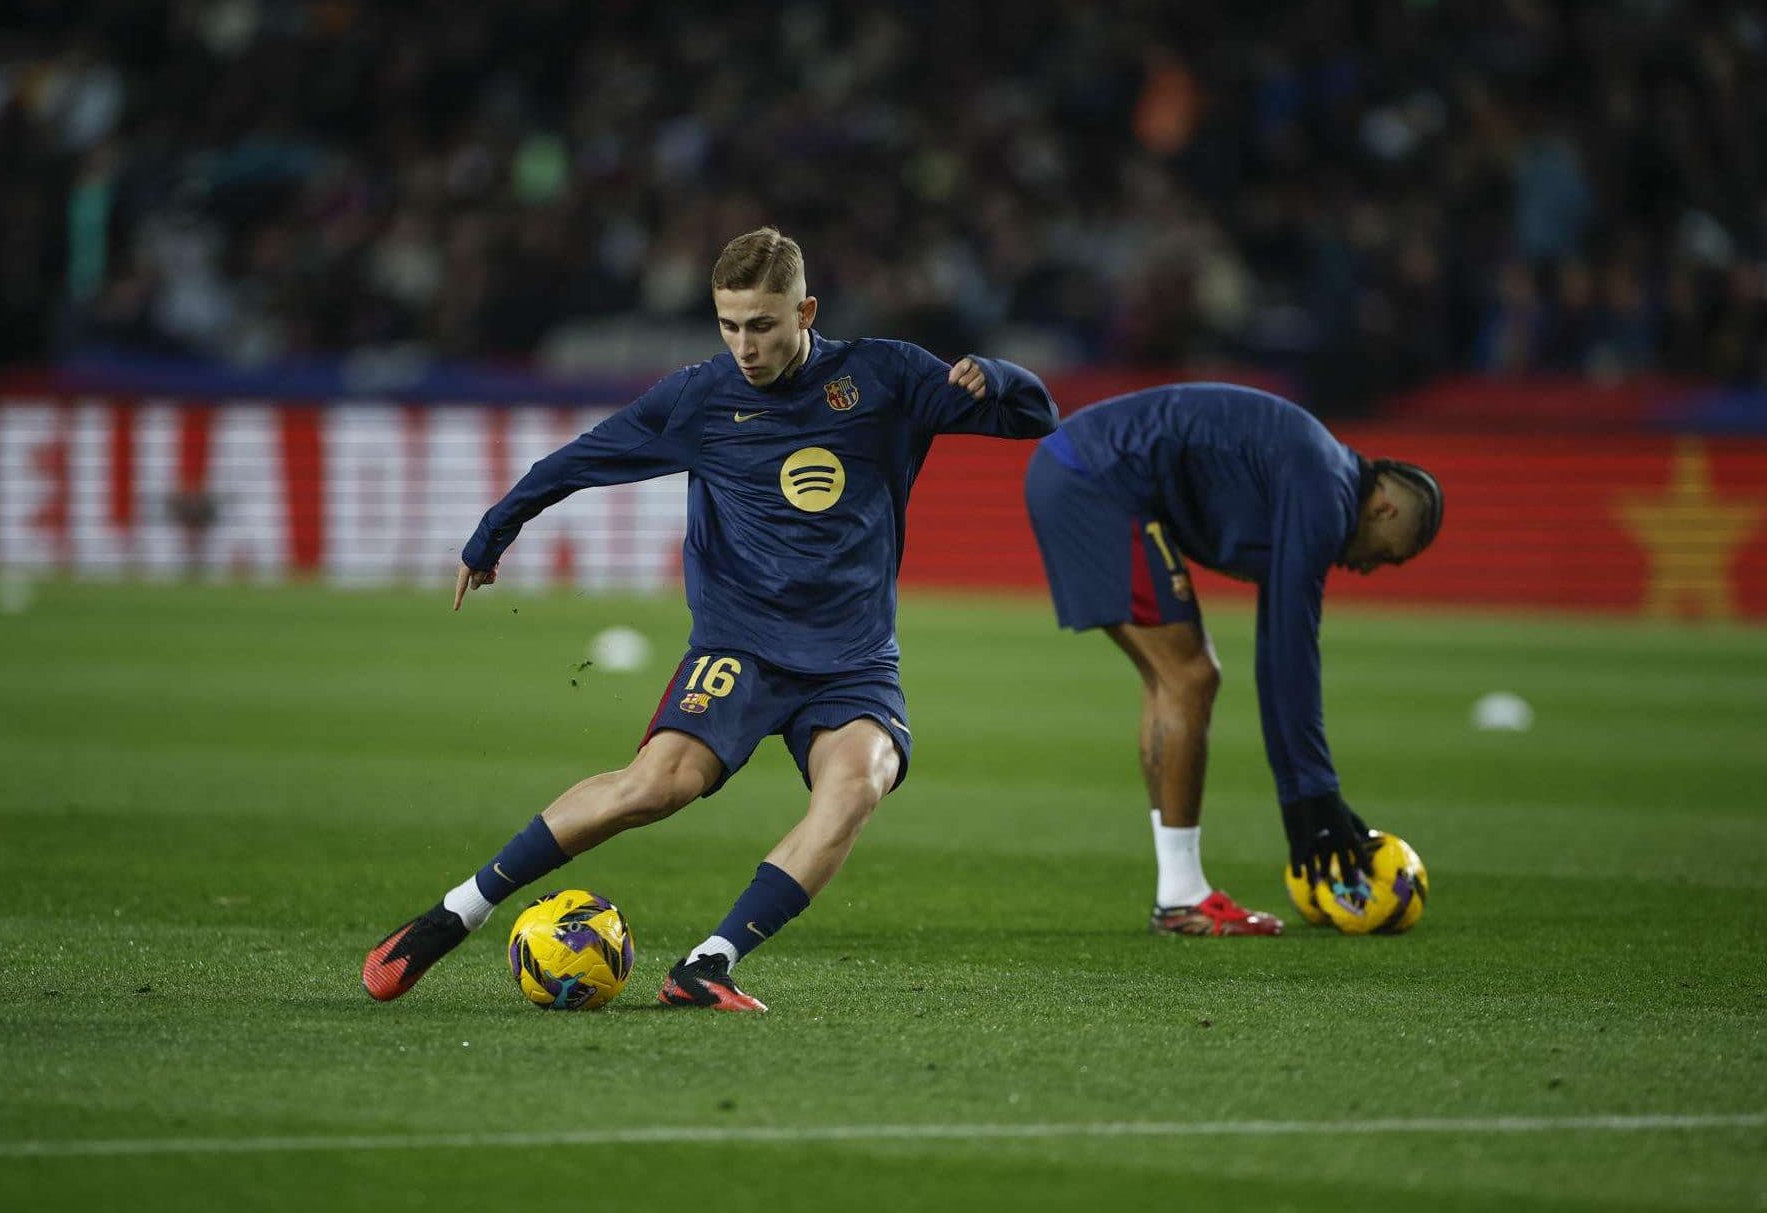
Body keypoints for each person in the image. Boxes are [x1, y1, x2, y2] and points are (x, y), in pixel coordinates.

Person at [363, 228, 1058, 1011]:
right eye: (729, 325)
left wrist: (998, 374)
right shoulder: (700, 398)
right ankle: (453, 913)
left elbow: (1035, 416)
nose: (745, 347)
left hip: (853, 660)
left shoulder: (884, 376)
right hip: (741, 645)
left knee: (858, 783)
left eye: (762, 325)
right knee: (655, 786)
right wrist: (492, 534)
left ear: (806, 312)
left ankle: (708, 963)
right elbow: (580, 459)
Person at [1023, 383, 1443, 935]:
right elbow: (1290, 651)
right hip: (1097, 480)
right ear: (1385, 507)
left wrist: (1306, 803)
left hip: (1084, 469)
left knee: (1176, 680)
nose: (1369, 568)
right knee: (1190, 677)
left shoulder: (1319, 475)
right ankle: (1181, 900)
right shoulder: (1325, 494)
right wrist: (1314, 800)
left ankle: (1178, 894)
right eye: (1388, 555)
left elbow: (1278, 650)